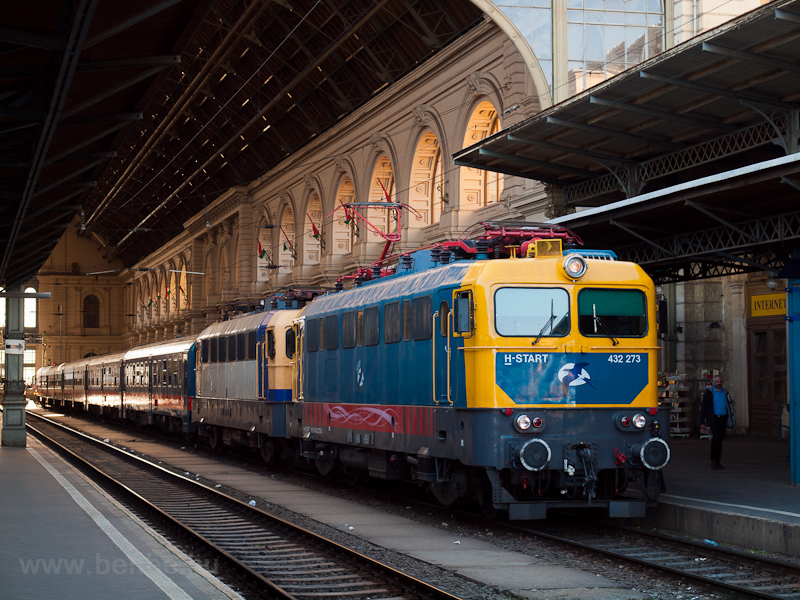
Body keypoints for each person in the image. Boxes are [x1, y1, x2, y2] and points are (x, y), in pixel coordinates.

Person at [699, 375, 735, 469]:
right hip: (714, 418)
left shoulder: (725, 393)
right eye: (717, 382)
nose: (719, 383)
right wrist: (702, 421)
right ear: (713, 383)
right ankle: (713, 460)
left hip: (723, 419)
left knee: (720, 439)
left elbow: (729, 405)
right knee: (716, 438)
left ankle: (718, 460)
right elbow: (704, 407)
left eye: (720, 382)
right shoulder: (709, 393)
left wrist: (731, 418)